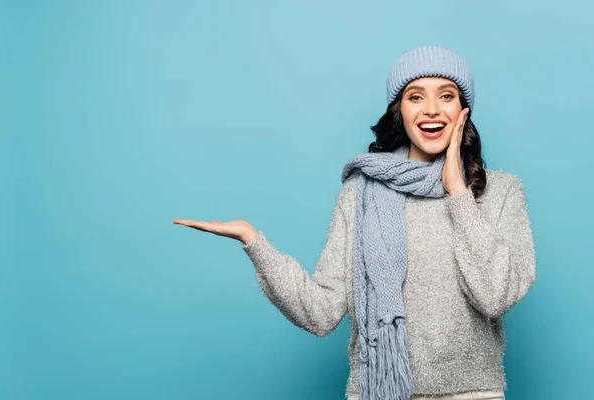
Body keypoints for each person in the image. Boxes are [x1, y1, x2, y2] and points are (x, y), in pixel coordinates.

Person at [173, 45, 536, 400]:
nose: (431, 110)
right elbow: (321, 312)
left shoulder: (500, 191)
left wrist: (458, 194)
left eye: (446, 96)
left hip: (473, 393)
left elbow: (495, 296)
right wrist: (254, 242)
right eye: (415, 97)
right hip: (378, 392)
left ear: (462, 110)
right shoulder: (361, 193)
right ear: (400, 110)